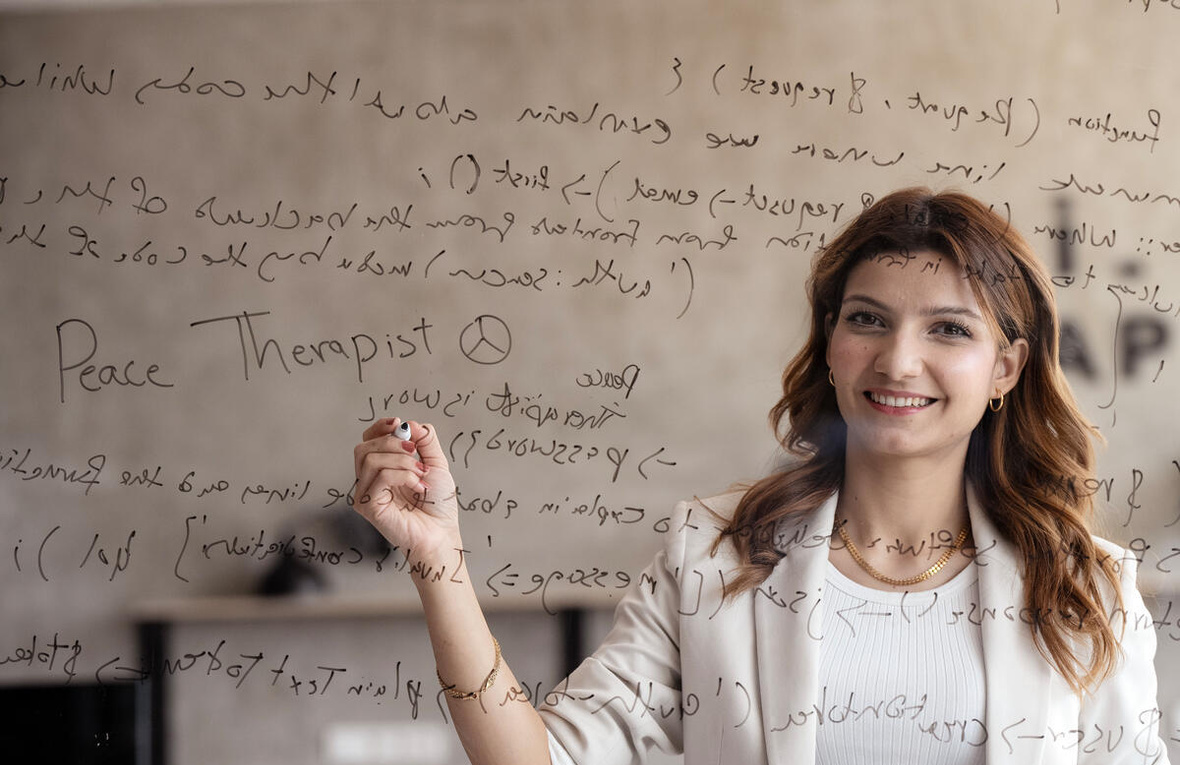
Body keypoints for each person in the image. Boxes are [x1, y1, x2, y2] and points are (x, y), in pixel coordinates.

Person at [351, 188, 1170, 765]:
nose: (898, 359)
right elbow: (535, 758)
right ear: (832, 343)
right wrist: (440, 559)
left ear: (1006, 367)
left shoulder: (1088, 585)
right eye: (867, 319)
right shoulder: (712, 554)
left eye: (948, 328)